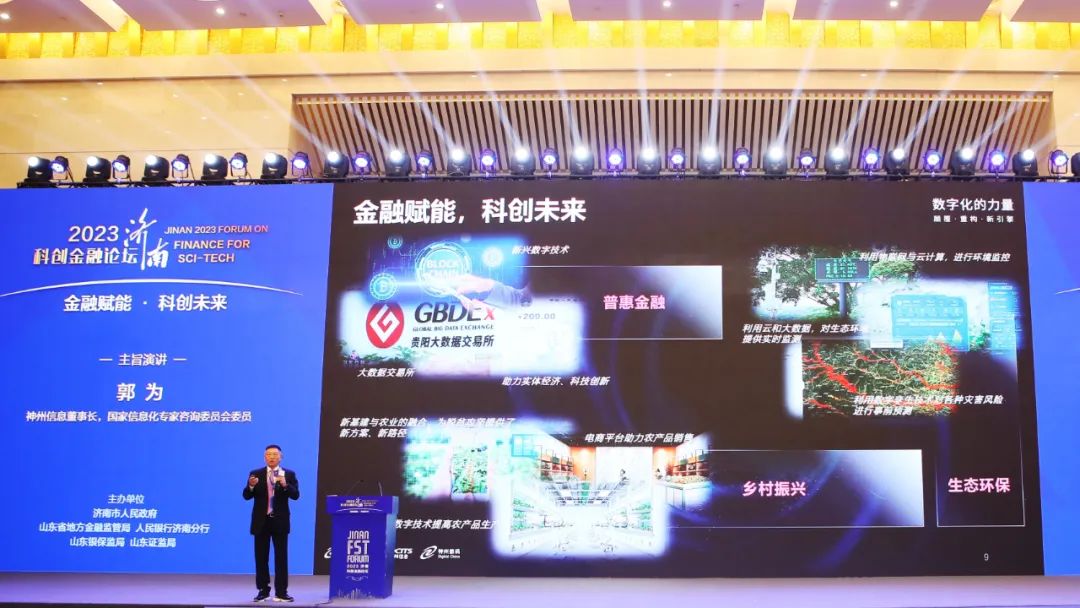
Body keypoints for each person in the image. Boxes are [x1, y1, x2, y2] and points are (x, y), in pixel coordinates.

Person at [243, 444, 299, 602]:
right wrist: (251, 486)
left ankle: (281, 592)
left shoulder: (289, 474)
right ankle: (263, 590)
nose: (272, 457)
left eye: (275, 454)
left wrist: (285, 484)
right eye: (268, 454)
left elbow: (296, 495)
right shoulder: (256, 474)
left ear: (281, 457)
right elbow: (246, 496)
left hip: (280, 521)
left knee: (281, 558)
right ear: (264, 457)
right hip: (261, 522)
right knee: (261, 558)